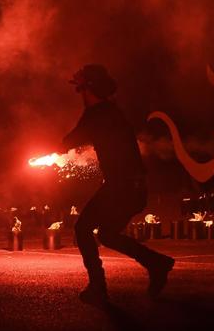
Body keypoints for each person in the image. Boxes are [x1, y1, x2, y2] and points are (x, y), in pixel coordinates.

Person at [61, 64, 174, 306]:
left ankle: (98, 288)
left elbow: (71, 140)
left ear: (89, 89)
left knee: (83, 229)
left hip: (122, 187)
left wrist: (54, 149)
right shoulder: (109, 112)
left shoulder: (98, 113)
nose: (80, 95)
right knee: (108, 234)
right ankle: (156, 264)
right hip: (131, 186)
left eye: (80, 89)